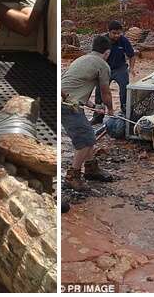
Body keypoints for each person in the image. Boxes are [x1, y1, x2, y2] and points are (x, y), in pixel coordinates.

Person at [61, 35, 115, 191]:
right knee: (85, 140)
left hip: (66, 100)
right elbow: (106, 92)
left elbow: (73, 88)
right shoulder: (103, 65)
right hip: (69, 106)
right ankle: (72, 177)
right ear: (107, 52)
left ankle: (91, 169)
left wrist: (92, 105)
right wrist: (110, 110)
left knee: (88, 134)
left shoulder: (81, 59)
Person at [91, 20, 136, 124]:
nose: (117, 35)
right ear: (109, 32)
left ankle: (125, 113)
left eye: (119, 33)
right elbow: (94, 56)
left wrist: (132, 68)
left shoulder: (124, 41)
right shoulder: (102, 40)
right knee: (100, 92)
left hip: (120, 68)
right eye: (114, 33)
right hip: (105, 69)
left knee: (125, 90)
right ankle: (98, 116)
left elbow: (132, 56)